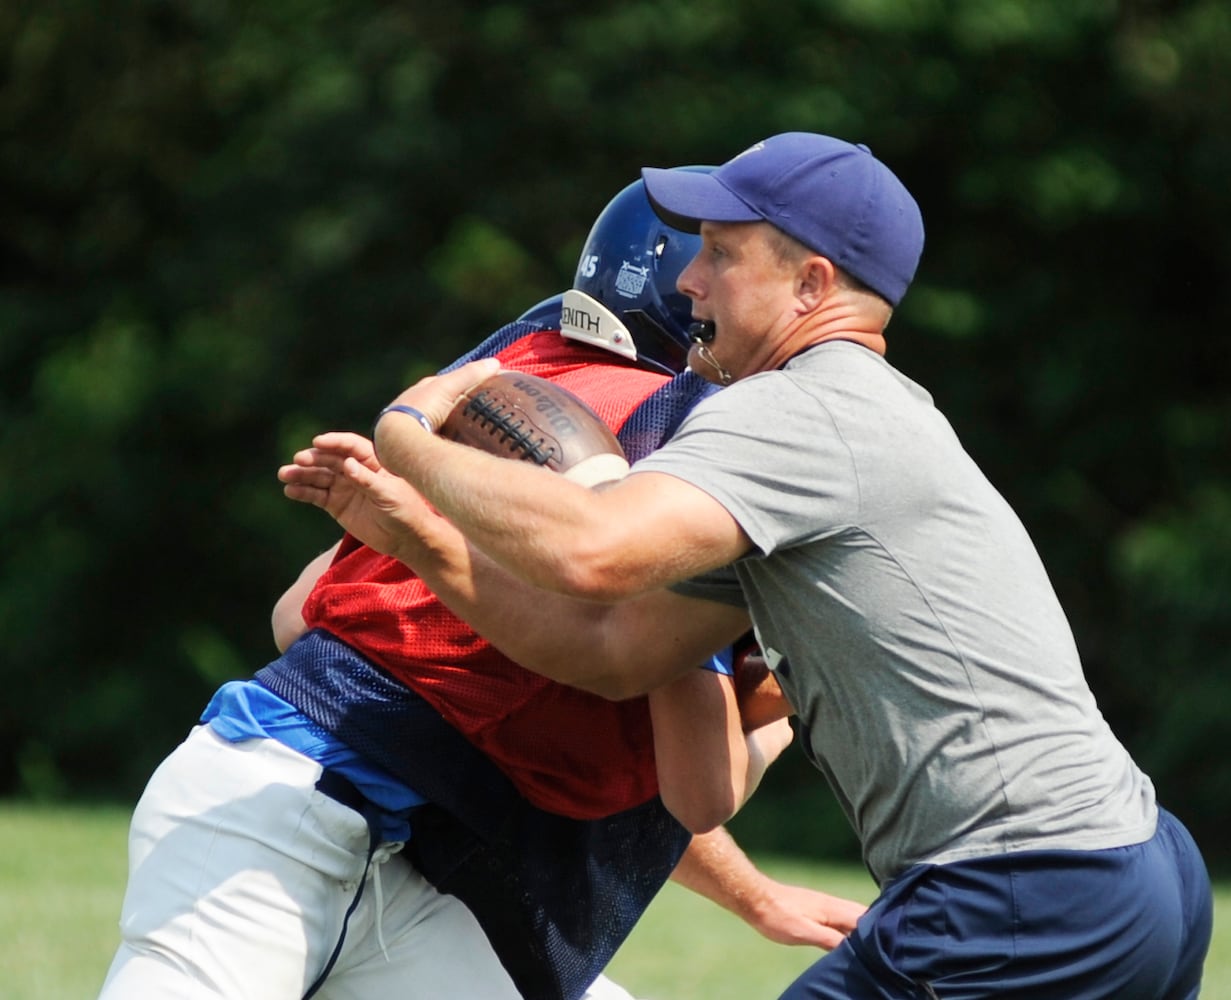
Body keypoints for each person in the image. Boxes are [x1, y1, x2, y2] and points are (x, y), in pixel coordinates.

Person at [284, 132, 1213, 999]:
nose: (687, 280)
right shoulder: (848, 425)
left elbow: (590, 548)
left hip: (1021, 887)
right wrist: (418, 540)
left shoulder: (795, 411)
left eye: (722, 254)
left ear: (811, 285)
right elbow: (615, 656)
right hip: (1129, 872)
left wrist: (408, 440)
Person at [100, 171, 867, 1000]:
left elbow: (299, 618)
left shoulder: (513, 385)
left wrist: (751, 894)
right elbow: (700, 787)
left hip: (334, 821)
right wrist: (783, 707)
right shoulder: (688, 450)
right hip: (312, 822)